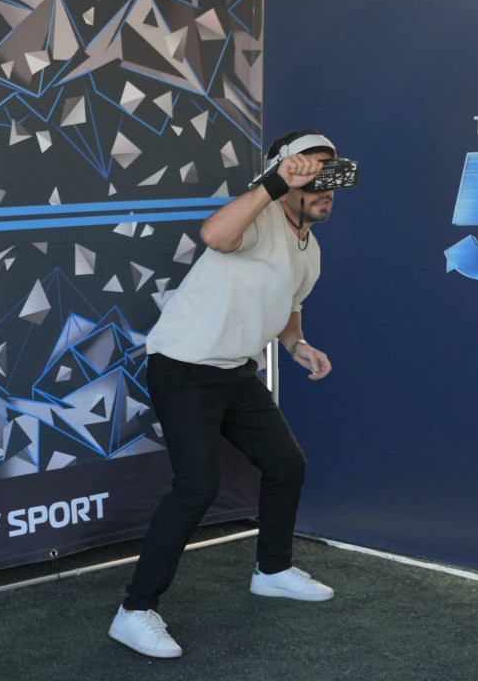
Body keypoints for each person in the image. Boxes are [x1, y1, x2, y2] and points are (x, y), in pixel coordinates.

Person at [108, 129, 347, 658]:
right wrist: (276, 181)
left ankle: (273, 570)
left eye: (331, 177)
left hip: (236, 372)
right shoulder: (258, 218)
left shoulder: (310, 248)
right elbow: (215, 234)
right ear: (286, 175)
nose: (325, 188)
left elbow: (288, 307)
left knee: (286, 464)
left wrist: (298, 345)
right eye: (313, 175)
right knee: (197, 485)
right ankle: (134, 611)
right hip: (183, 367)